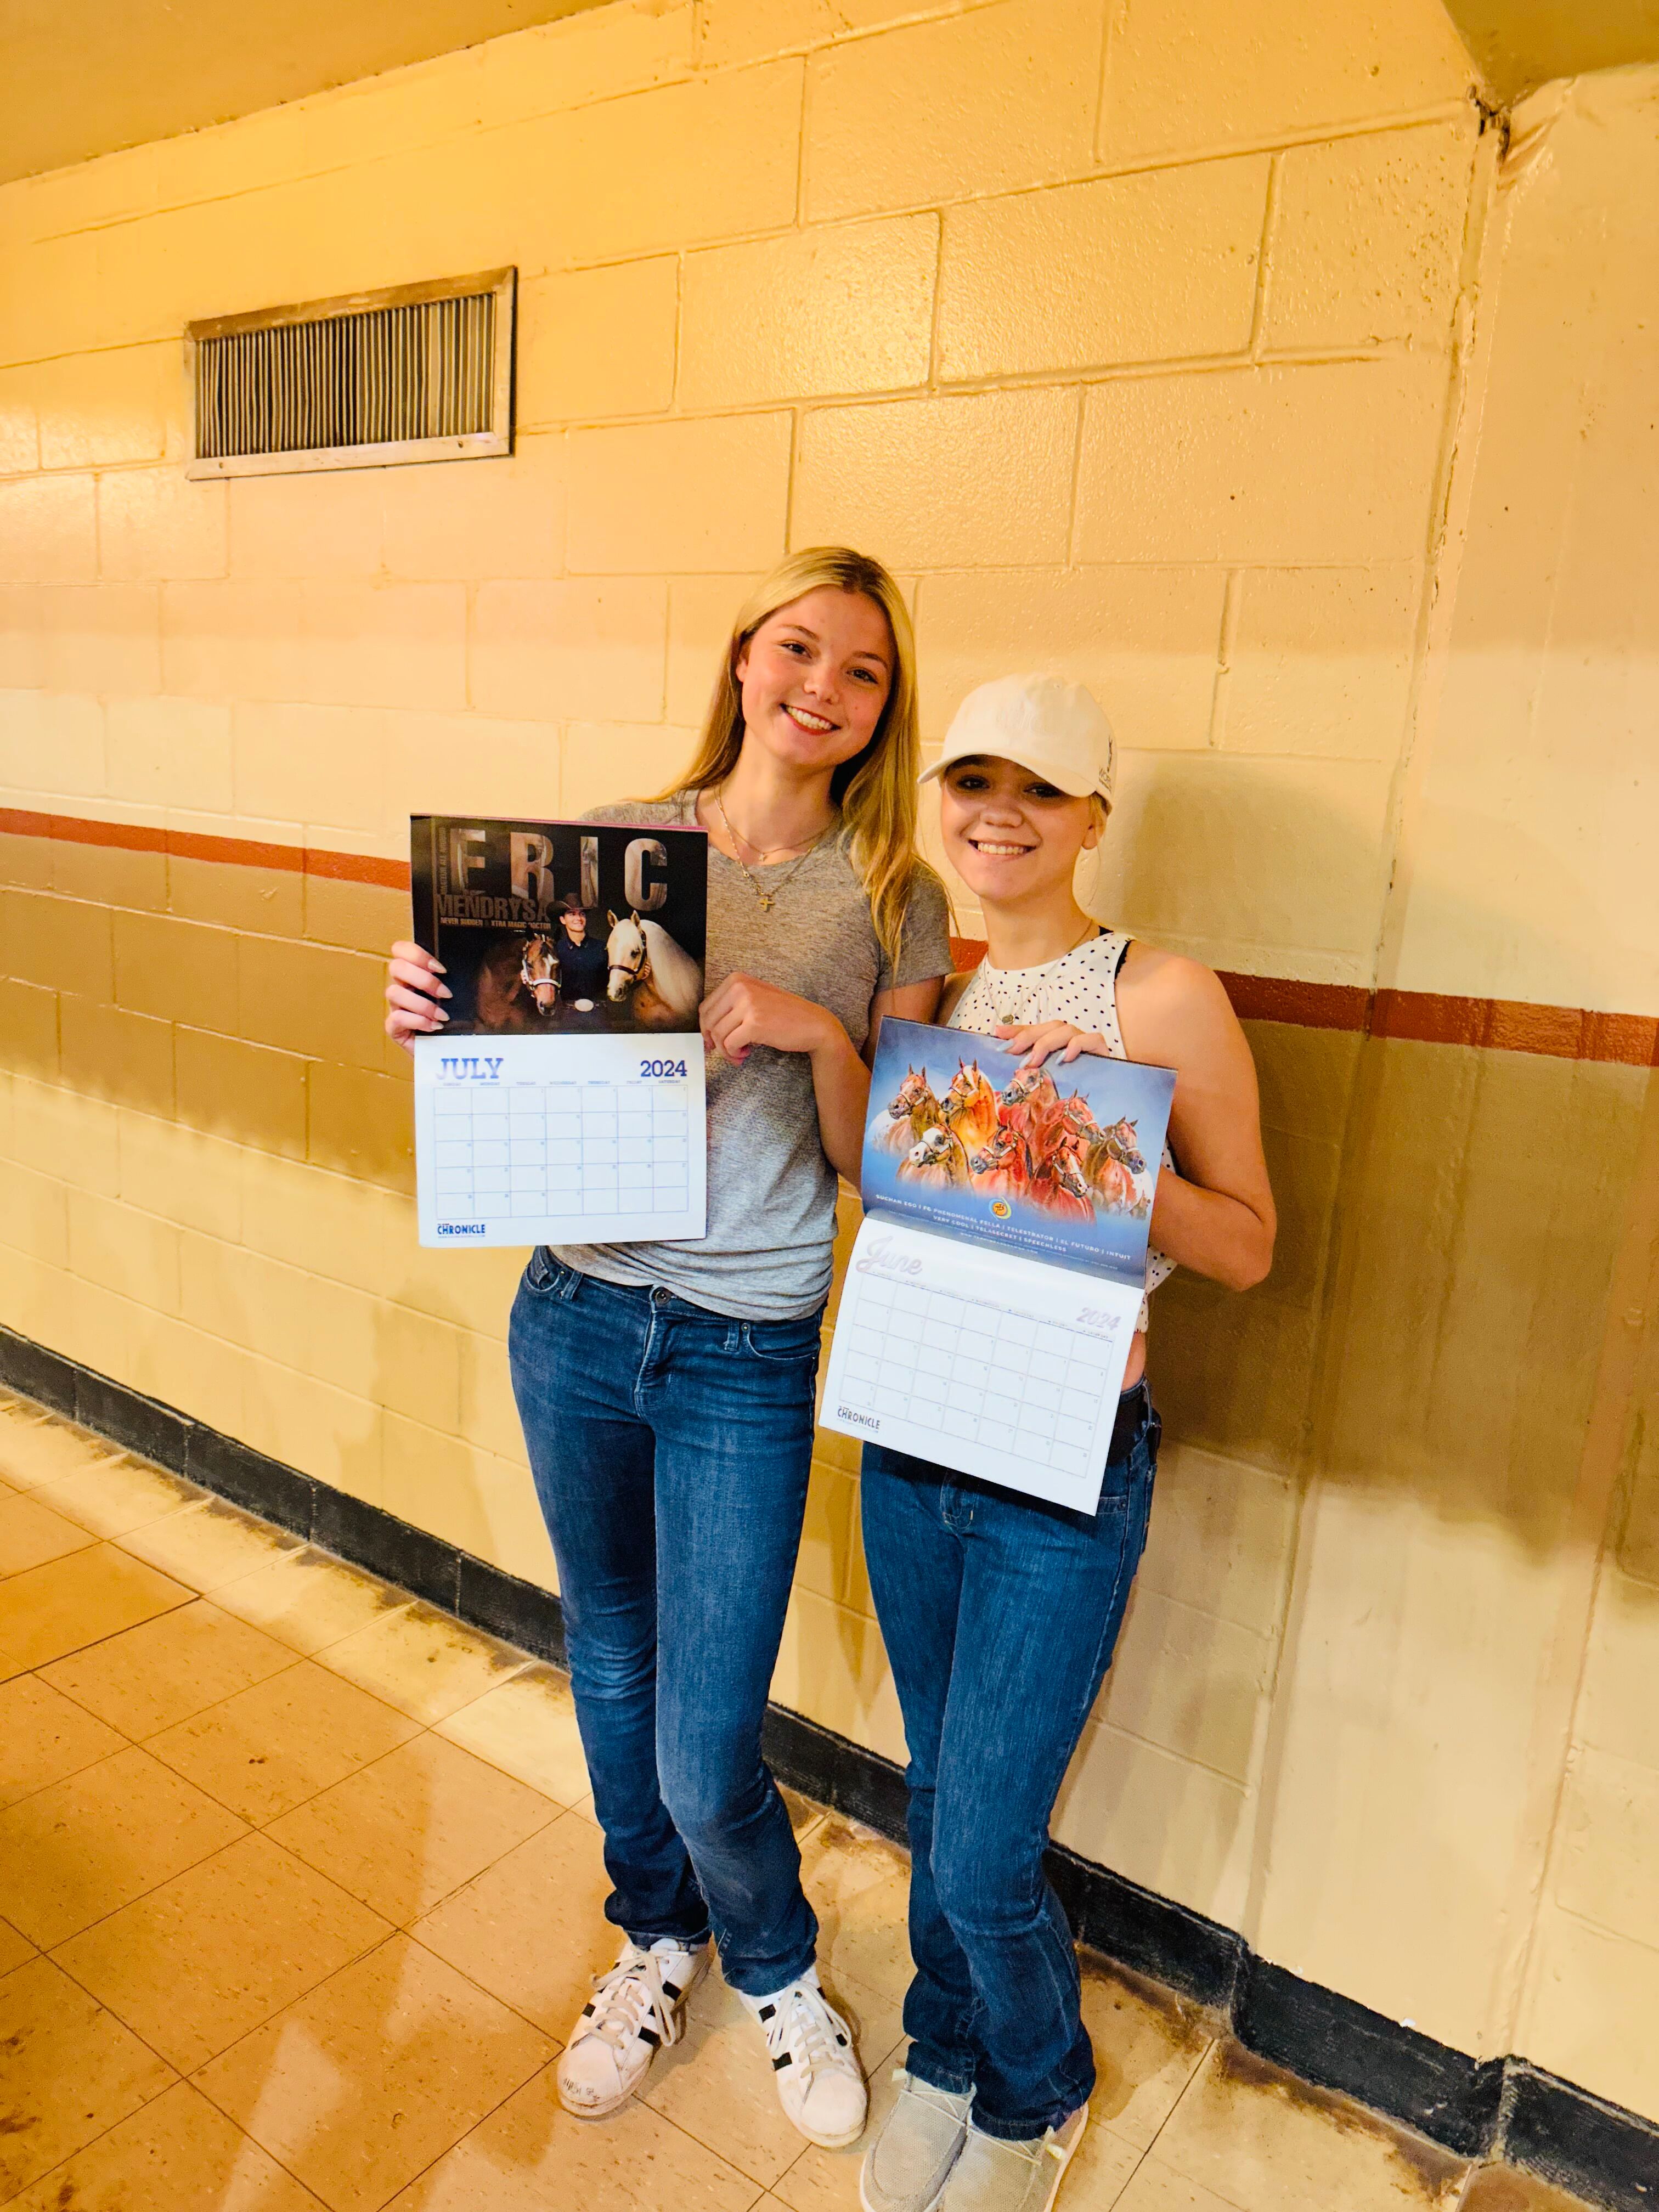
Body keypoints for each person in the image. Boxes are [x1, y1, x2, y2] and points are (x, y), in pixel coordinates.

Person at [384, 548, 952, 2148]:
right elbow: (514, 1071)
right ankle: (657, 1934)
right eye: (800, 649)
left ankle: (774, 1963)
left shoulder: (895, 891)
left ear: (883, 708)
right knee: (611, 1663)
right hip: (576, 1315)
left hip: (746, 1346)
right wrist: (437, 1010)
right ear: (745, 657)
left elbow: (887, 1159)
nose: (823, 689)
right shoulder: (616, 845)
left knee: (708, 1743)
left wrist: (819, 1030)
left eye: (862, 671)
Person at [857, 675, 1276, 2212]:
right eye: (975, 782)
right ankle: (943, 2049)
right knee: (932, 1794)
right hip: (915, 1439)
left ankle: (1037, 2090)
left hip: (1061, 1461)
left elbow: (1248, 1247)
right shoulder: (935, 996)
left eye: (1040, 789)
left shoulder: (1158, 995)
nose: (1001, 815)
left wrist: (1101, 1141)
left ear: (1094, 817)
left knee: (984, 1848)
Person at [551, 892, 607, 1009]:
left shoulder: (602, 948)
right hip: (567, 1014)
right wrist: (526, 976)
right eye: (572, 914)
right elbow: (543, 977)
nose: (578, 918)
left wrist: (641, 975)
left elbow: (619, 978)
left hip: (598, 1013)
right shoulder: (556, 950)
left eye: (582, 914)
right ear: (563, 920)